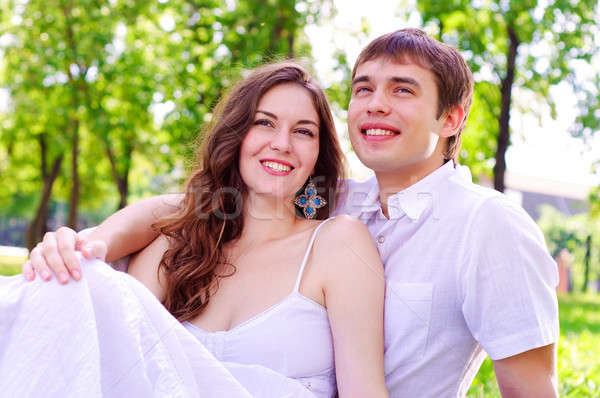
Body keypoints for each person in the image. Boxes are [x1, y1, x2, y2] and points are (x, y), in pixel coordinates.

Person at [25, 28, 559, 398]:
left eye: (402, 90)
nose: (375, 104)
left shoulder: (488, 224)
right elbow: (188, 207)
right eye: (363, 89)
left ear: (451, 117)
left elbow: (532, 389)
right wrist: (89, 240)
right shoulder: (338, 200)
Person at [7, 61, 388, 398]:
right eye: (264, 123)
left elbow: (365, 391)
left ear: (317, 155)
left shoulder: (338, 244)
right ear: (237, 136)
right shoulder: (180, 244)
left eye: (303, 131)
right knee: (75, 275)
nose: (281, 143)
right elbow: (112, 344)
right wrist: (75, 246)